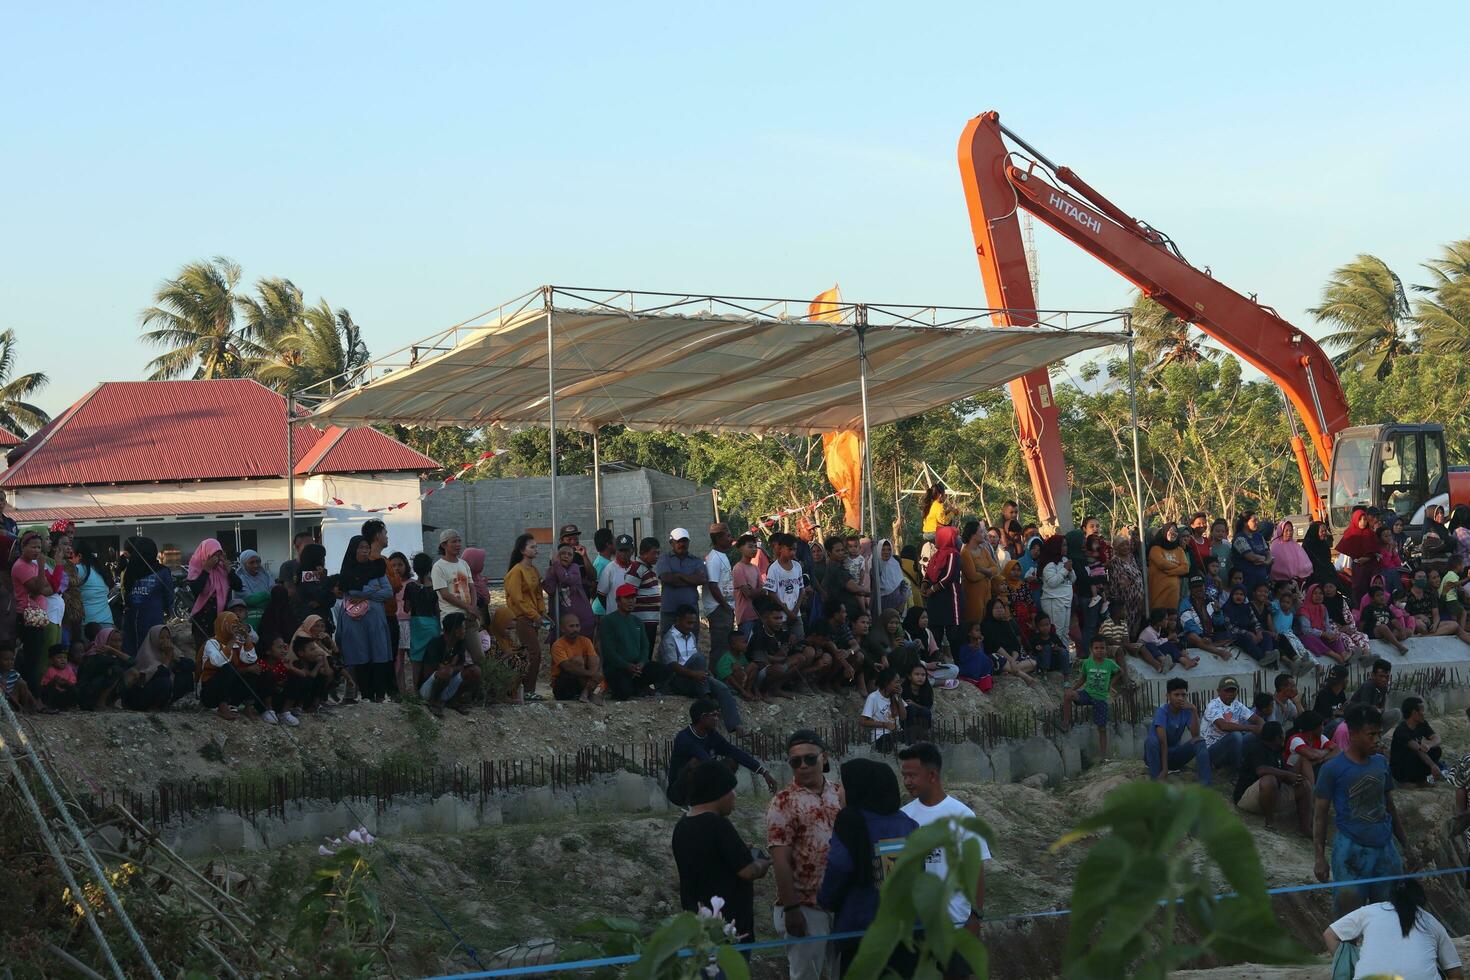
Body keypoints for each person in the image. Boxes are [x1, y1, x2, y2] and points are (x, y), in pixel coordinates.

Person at [817, 759, 919, 977]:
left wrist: (826, 900)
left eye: (843, 785)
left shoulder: (851, 820)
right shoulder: (907, 823)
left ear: (858, 789)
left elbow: (839, 866)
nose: (838, 791)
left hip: (862, 933)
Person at [899, 742, 990, 979]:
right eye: (904, 775)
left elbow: (977, 871)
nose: (907, 781)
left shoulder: (963, 816)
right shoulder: (904, 817)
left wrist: (975, 918)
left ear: (932, 775)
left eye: (912, 775)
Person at [1313, 703, 1409, 912]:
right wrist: (1319, 857)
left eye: (1378, 734)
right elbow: (1319, 816)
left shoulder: (1381, 763)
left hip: (1385, 848)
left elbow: (1390, 807)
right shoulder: (1332, 769)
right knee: (1349, 916)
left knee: (1389, 912)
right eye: (1370, 734)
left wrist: (1406, 845)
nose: (1376, 740)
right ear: (1353, 734)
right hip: (1350, 850)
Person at [768, 729, 842, 980]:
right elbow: (780, 858)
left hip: (840, 902)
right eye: (795, 761)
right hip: (805, 905)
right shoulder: (783, 801)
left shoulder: (840, 793)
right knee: (805, 976)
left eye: (809, 759)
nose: (803, 766)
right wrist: (791, 908)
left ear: (824, 757)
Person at [671, 760, 771, 945]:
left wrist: (739, 851)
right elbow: (747, 871)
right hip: (727, 930)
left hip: (698, 927)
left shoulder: (683, 825)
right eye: (731, 789)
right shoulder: (718, 825)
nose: (734, 795)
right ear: (718, 792)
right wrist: (764, 863)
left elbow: (711, 860)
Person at [1323, 878, 1463, 980]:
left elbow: (1329, 935)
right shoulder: (1431, 921)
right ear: (1420, 899)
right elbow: (1455, 974)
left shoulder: (1370, 911)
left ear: (1391, 896)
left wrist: (1350, 964)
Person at [666, 698, 775, 806]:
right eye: (714, 715)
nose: (717, 719)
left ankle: (712, 800)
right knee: (696, 763)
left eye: (718, 715)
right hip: (678, 791)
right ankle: (693, 803)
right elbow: (705, 760)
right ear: (702, 717)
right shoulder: (684, 737)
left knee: (732, 761)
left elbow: (733, 751)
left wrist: (763, 772)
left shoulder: (711, 734)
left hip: (701, 781)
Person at [660, 604, 744, 734]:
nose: (691, 626)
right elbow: (672, 666)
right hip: (678, 681)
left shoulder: (691, 636)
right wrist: (694, 674)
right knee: (699, 658)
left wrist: (701, 674)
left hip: (695, 679)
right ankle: (707, 700)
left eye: (693, 623)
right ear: (678, 620)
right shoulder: (669, 638)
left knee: (722, 688)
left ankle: (736, 727)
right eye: (688, 623)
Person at [335, 534, 395, 702]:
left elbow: (388, 592)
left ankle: (380, 695)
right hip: (354, 621)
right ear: (353, 550)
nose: (365, 551)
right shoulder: (347, 571)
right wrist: (373, 590)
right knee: (359, 656)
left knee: (379, 655)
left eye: (367, 547)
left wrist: (365, 595)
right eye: (361, 547)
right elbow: (351, 592)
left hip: (375, 620)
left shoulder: (377, 568)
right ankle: (366, 694)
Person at [1234, 721, 1312, 835]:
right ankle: (1269, 822)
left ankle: (1306, 828)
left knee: (1304, 784)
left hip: (1271, 796)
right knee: (1269, 780)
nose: (1284, 737)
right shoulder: (1257, 748)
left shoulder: (1276, 751)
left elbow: (1284, 773)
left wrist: (1295, 777)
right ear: (1277, 737)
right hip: (1247, 799)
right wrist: (1288, 775)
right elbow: (1261, 770)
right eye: (1283, 734)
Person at [199, 611, 274, 721]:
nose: (234, 627)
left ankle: (249, 706)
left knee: (255, 671)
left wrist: (247, 638)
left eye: (236, 623)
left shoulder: (236, 643)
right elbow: (218, 662)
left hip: (228, 689)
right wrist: (230, 642)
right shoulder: (212, 643)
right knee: (228, 668)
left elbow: (251, 658)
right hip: (211, 691)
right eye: (231, 623)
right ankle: (222, 706)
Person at [598, 583, 670, 699]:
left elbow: (645, 646)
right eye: (627, 598)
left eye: (633, 598)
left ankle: (639, 687)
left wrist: (641, 663)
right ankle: (632, 688)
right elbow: (609, 651)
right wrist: (626, 666)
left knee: (664, 670)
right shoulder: (608, 621)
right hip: (618, 668)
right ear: (618, 601)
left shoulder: (637, 621)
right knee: (623, 693)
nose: (631, 601)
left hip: (637, 667)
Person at [1061, 636, 1123, 757]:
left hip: (1100, 698)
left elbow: (1121, 672)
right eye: (1096, 648)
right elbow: (1083, 679)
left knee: (1102, 728)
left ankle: (1103, 755)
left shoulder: (1109, 664)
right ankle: (1066, 721)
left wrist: (1111, 683)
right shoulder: (1087, 663)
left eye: (1102, 648)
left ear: (1106, 649)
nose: (1099, 650)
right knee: (1068, 695)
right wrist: (1072, 689)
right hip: (1087, 694)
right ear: (1091, 649)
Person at [1145, 678, 1213, 783]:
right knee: (1151, 741)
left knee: (1200, 741)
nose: (1180, 698)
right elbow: (1163, 742)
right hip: (1157, 756)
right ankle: (1156, 779)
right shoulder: (1162, 712)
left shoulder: (1186, 711)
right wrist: (1164, 770)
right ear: (1168, 696)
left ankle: (1206, 785)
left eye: (1183, 695)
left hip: (1174, 756)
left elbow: (1195, 735)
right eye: (1176, 695)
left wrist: (1194, 710)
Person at [505, 533, 547, 702]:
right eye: (532, 547)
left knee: (531, 654)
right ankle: (527, 690)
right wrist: (535, 615)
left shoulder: (534, 570)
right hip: (523, 618)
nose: (535, 550)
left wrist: (542, 612)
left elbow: (538, 594)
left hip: (534, 618)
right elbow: (518, 599)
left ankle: (525, 689)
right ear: (522, 550)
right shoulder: (516, 572)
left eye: (536, 547)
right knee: (533, 653)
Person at [118, 536, 172, 659]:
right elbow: (169, 596)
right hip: (154, 619)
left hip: (131, 620)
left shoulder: (129, 570)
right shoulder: (163, 572)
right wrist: (168, 611)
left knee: (133, 654)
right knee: (153, 655)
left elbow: (125, 593)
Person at [418, 612, 481, 717]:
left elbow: (460, 666)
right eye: (463, 627)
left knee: (475, 671)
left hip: (447, 683)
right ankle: (434, 702)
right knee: (446, 672)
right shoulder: (436, 643)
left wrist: (450, 667)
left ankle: (454, 700)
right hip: (429, 689)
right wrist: (449, 668)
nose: (465, 630)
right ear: (456, 631)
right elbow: (428, 672)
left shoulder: (460, 643)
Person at [187, 538, 242, 650]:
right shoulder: (197, 567)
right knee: (204, 654)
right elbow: (196, 589)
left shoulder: (222, 569)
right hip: (203, 622)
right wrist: (206, 569)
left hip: (221, 620)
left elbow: (238, 586)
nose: (217, 559)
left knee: (222, 654)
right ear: (206, 554)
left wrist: (230, 571)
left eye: (219, 555)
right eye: (214, 555)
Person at [656, 528, 707, 643]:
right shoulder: (664, 559)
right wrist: (691, 579)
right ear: (671, 543)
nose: (682, 544)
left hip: (690, 613)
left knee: (691, 645)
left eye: (684, 541)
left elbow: (702, 579)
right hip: (670, 612)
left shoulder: (696, 561)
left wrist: (678, 575)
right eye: (678, 541)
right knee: (668, 646)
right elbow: (666, 578)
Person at [1201, 676, 1259, 773]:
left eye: (1233, 691)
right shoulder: (1213, 705)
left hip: (1230, 748)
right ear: (1218, 691)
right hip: (1212, 751)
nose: (1230, 694)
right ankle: (1237, 771)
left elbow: (1256, 719)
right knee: (1236, 735)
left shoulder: (1237, 705)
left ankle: (1256, 764)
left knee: (1255, 735)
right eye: (1227, 691)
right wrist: (1250, 727)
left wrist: (1263, 727)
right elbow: (1223, 726)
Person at [543, 541, 596, 642]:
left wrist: (557, 565)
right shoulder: (551, 570)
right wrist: (554, 568)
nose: (566, 556)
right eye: (562, 553)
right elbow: (550, 588)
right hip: (562, 624)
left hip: (582, 622)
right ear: (556, 555)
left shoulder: (574, 568)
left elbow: (566, 579)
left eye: (569, 554)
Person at [924, 525, 965, 656]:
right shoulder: (936, 555)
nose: (935, 539)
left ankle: (959, 665)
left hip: (950, 600)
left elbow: (949, 576)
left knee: (954, 634)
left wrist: (933, 589)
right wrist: (924, 584)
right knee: (935, 632)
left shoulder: (953, 555)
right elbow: (928, 573)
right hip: (936, 600)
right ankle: (934, 663)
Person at [701, 523, 736, 670]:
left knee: (725, 645)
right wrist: (725, 605)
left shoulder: (723, 556)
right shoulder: (714, 558)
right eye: (727, 536)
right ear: (718, 538)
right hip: (718, 609)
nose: (730, 539)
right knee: (719, 646)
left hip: (724, 608)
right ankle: (715, 676)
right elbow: (713, 585)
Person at [549, 612, 603, 704]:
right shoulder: (558, 645)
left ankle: (586, 692)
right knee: (578, 661)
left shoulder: (585, 641)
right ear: (562, 629)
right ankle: (588, 693)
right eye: (571, 626)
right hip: (564, 683)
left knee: (597, 663)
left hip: (582, 681)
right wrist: (591, 674)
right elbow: (568, 667)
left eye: (577, 626)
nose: (575, 629)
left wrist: (594, 673)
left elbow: (594, 660)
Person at [1389, 696, 1444, 786]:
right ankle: (1406, 782)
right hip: (1401, 767)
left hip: (1415, 759)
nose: (1424, 713)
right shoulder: (1401, 730)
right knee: (1413, 754)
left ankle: (1421, 780)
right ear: (1414, 713)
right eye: (1422, 711)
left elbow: (1437, 738)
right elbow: (1418, 750)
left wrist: (1429, 745)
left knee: (1436, 750)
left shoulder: (1422, 724)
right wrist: (1433, 765)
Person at [1107, 533, 1147, 637]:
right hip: (1125, 601)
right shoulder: (1115, 561)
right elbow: (1115, 582)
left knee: (1136, 624)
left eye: (1126, 544)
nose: (1125, 547)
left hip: (1138, 599)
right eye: (1122, 545)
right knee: (1125, 626)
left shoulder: (1132, 557)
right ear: (1116, 548)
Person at [959, 521, 999, 625]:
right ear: (973, 535)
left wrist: (984, 570)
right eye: (981, 532)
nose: (984, 535)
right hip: (974, 598)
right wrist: (988, 573)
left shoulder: (984, 550)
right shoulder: (965, 553)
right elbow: (972, 576)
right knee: (976, 624)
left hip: (987, 595)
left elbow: (995, 568)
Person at [1147, 522, 1191, 614]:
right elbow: (1162, 564)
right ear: (1164, 531)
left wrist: (1172, 572)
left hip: (1174, 594)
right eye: (1171, 531)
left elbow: (1186, 568)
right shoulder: (1155, 548)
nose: (1173, 533)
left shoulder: (1179, 550)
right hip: (1158, 592)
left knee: (1172, 619)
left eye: (1176, 531)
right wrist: (1178, 568)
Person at [861, 667, 907, 751]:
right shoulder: (873, 697)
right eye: (896, 682)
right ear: (886, 683)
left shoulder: (896, 695)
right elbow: (863, 721)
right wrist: (885, 724)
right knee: (888, 741)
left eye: (899, 682)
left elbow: (903, 717)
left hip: (896, 733)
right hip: (881, 736)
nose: (899, 685)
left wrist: (899, 697)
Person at [595, 533, 637, 615]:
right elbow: (601, 594)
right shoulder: (609, 569)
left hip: (633, 617)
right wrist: (611, 610)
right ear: (616, 551)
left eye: (626, 550)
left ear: (632, 550)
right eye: (621, 550)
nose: (623, 554)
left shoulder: (636, 568)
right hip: (614, 617)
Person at [1232, 512, 1273, 593]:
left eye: (1258, 520)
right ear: (1245, 523)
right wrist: (1264, 559)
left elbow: (1268, 553)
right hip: (1247, 581)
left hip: (1261, 581)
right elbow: (1251, 556)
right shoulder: (1240, 538)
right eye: (1254, 520)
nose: (1257, 523)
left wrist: (1265, 561)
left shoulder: (1259, 536)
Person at [874, 538, 910, 616]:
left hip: (896, 607)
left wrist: (902, 604)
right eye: (883, 549)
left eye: (889, 549)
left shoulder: (895, 564)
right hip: (879, 604)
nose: (886, 552)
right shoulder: (874, 564)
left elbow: (903, 585)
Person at [589, 527, 614, 618]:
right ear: (608, 544)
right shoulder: (601, 563)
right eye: (614, 540)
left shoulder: (607, 562)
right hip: (601, 611)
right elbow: (595, 588)